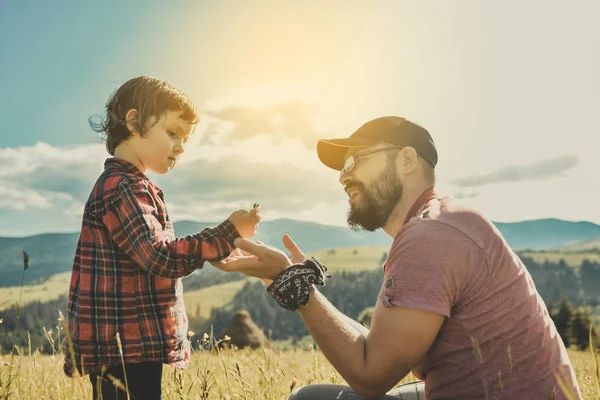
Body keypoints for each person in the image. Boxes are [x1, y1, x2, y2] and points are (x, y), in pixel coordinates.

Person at [214, 116, 583, 399]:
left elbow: (371, 375)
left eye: (355, 160)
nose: (343, 177)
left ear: (407, 159)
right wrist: (295, 280)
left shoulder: (429, 236)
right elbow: (381, 345)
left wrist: (297, 289)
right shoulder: (439, 222)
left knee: (308, 399)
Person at [63, 76, 261, 400]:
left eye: (185, 139)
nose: (181, 146)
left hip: (130, 344)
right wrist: (227, 233)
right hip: (124, 347)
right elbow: (160, 257)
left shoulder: (130, 186)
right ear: (134, 121)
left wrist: (220, 248)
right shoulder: (121, 188)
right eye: (173, 133)